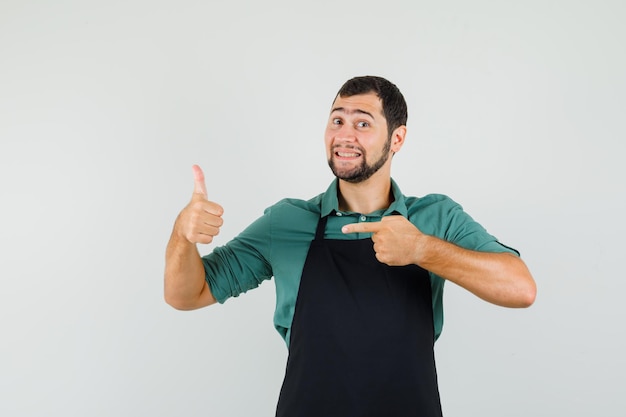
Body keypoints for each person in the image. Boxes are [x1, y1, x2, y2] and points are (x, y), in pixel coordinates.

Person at [164, 76, 536, 416]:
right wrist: (182, 235)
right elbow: (186, 294)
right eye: (337, 120)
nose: (344, 135)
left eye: (362, 123)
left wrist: (422, 249)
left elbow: (520, 288)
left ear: (397, 139)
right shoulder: (288, 222)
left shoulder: (434, 218)